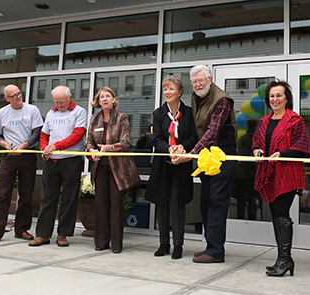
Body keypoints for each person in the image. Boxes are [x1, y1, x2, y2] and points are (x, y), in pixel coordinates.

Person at [172, 65, 237, 263]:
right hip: (206, 157)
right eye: (194, 82)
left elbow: (212, 133)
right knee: (206, 201)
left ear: (210, 79)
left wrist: (191, 155)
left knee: (217, 202)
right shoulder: (196, 97)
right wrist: (182, 147)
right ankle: (211, 245)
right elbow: (197, 130)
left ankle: (216, 251)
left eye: (201, 80)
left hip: (223, 157)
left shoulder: (222, 100)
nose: (198, 84)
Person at [252, 80, 310, 277]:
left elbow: (303, 147)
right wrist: (257, 150)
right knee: (276, 214)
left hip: (287, 174)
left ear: (287, 98)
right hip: (269, 173)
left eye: (279, 95)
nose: (275, 99)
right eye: (272, 96)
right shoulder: (265, 121)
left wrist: (282, 154)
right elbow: (256, 141)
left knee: (281, 214)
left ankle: (285, 259)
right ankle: (283, 258)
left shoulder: (295, 120)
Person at [145, 76, 198, 260]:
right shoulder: (159, 113)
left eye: (171, 89)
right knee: (162, 203)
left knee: (177, 202)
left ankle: (178, 245)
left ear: (180, 93)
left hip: (181, 164)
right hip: (163, 163)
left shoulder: (189, 113)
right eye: (165, 89)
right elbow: (156, 138)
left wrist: (182, 147)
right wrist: (169, 149)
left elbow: (194, 136)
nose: (167, 92)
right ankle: (163, 244)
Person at [29, 86, 87, 247]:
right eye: (56, 101)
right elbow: (44, 135)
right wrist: (44, 147)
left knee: (69, 198)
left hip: (71, 160)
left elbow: (78, 135)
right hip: (52, 161)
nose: (59, 104)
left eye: (62, 101)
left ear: (70, 98)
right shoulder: (50, 113)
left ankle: (63, 234)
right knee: (47, 197)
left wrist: (55, 146)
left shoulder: (79, 112)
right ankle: (42, 234)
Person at [87, 87, 140, 254]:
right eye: (101, 96)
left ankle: (117, 244)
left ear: (114, 100)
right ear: (98, 101)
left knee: (116, 205)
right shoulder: (94, 119)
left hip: (118, 169)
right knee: (100, 204)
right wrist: (92, 152)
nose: (105, 99)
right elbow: (89, 143)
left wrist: (109, 148)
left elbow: (125, 143)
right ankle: (101, 241)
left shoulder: (121, 117)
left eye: (108, 96)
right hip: (100, 167)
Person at [0, 84, 43, 243]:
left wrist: (24, 145)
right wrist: (4, 144)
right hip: (8, 157)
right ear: (7, 99)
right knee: (2, 194)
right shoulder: (2, 113)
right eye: (14, 95)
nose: (19, 97)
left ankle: (22, 229)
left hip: (28, 155)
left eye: (19, 93)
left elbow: (37, 132)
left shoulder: (32, 110)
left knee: (26, 194)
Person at [235, 117, 259, 220]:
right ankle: (249, 218)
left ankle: (244, 218)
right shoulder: (252, 139)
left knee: (244, 199)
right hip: (249, 173)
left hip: (244, 173)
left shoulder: (243, 138)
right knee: (249, 198)